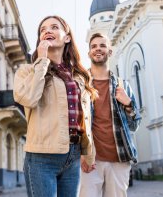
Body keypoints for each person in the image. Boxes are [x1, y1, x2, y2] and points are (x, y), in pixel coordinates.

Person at [14, 15, 98, 197]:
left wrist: (88, 152)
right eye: (43, 29)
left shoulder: (80, 76)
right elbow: (28, 98)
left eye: (54, 27)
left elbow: (85, 117)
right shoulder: (26, 71)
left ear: (67, 37)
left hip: (73, 155)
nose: (47, 31)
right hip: (41, 157)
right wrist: (42, 61)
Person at [80, 33, 142, 197]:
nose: (98, 49)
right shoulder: (80, 85)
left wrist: (128, 104)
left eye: (102, 45)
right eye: (93, 46)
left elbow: (134, 125)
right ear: (89, 53)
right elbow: (73, 123)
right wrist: (80, 154)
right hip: (90, 160)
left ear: (110, 51)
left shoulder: (124, 86)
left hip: (119, 159)